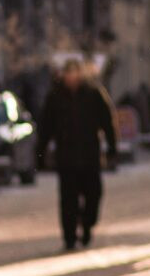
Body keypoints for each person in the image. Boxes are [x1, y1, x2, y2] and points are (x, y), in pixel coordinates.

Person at [34, 59, 118, 251]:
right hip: (66, 157)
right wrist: (40, 152)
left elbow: (107, 121)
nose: (71, 78)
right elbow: (46, 127)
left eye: (75, 74)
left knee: (93, 195)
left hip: (90, 156)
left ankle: (87, 225)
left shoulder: (93, 93)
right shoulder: (55, 96)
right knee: (68, 199)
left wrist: (113, 147)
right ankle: (70, 236)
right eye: (68, 74)